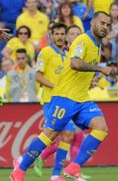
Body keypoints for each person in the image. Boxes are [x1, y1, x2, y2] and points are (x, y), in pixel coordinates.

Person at [10, 11, 114, 181]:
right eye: (102, 23)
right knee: (49, 136)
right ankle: (20, 170)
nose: (105, 27)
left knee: (101, 128)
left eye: (108, 25)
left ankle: (73, 167)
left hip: (82, 98)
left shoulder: (97, 44)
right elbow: (75, 63)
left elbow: (77, 69)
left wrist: (89, 81)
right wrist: (101, 69)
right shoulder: (83, 40)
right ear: (93, 22)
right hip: (65, 97)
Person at [32, 23, 76, 180]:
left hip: (66, 101)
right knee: (53, 136)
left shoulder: (68, 54)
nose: (59, 37)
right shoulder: (45, 52)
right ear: (51, 36)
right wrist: (56, 86)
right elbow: (37, 76)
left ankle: (54, 173)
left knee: (68, 135)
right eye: (56, 34)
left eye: (62, 34)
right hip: (51, 100)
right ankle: (30, 159)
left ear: (65, 36)